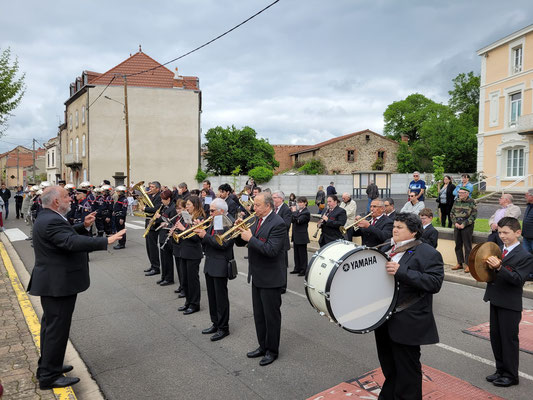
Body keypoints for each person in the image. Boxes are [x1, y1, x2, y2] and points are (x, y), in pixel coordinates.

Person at [27, 186, 125, 390]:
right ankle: (49, 376)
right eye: (65, 196)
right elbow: (70, 242)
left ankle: (49, 365)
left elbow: (64, 235)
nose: (70, 199)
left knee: (51, 328)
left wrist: (83, 225)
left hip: (55, 283)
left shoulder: (47, 217)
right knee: (56, 330)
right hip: (58, 284)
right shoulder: (51, 219)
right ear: (55, 202)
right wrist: (105, 240)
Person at [376, 212, 444, 400]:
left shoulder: (429, 253)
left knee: (408, 370)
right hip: (384, 320)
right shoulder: (388, 249)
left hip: (407, 321)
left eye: (399, 227)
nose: (394, 230)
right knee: (389, 367)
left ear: (413, 232)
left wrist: (402, 271)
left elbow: (434, 283)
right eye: (394, 226)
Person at [235, 192, 287, 366]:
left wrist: (251, 238)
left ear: (268, 206)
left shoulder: (278, 223)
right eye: (254, 205)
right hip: (257, 275)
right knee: (259, 315)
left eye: (257, 205)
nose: (253, 208)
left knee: (271, 317)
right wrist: (239, 231)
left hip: (271, 278)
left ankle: (272, 350)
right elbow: (242, 243)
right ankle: (262, 346)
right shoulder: (256, 219)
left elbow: (271, 250)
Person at [484, 217, 533, 387]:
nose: (502, 236)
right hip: (495, 298)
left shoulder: (525, 256)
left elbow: (518, 279)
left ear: (518, 233)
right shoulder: (497, 250)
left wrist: (499, 267)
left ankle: (511, 375)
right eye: (500, 232)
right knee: (495, 338)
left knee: (508, 339)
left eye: (506, 232)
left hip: (510, 303)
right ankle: (500, 369)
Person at [195, 198, 234, 341]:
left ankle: (224, 328)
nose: (209, 213)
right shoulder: (215, 220)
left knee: (221, 298)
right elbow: (208, 243)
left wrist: (205, 235)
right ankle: (215, 323)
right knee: (212, 296)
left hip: (220, 264)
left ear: (221, 211)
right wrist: (200, 233)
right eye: (209, 210)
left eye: (212, 210)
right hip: (210, 263)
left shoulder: (228, 222)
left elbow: (223, 244)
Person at [175, 196, 205, 315]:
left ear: (195, 205)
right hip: (183, 251)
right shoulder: (185, 216)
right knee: (185, 279)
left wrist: (182, 229)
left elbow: (197, 238)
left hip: (193, 253)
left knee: (193, 280)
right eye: (186, 205)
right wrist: (176, 230)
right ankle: (188, 301)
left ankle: (195, 304)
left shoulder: (200, 218)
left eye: (188, 205)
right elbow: (183, 232)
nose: (186, 207)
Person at [450, 187, 477, 273]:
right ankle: (460, 263)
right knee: (458, 245)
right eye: (459, 192)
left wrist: (464, 224)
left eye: (462, 193)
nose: (460, 194)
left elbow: (473, 215)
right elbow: (452, 213)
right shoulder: (456, 201)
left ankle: (468, 265)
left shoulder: (472, 201)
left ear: (467, 193)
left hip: (467, 226)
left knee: (467, 246)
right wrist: (455, 223)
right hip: (457, 225)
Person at [154, 190, 176, 286]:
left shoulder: (173, 208)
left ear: (169, 199)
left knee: (167, 258)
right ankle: (164, 276)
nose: (162, 201)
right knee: (163, 258)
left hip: (168, 235)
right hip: (162, 234)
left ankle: (169, 278)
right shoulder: (165, 207)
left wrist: (161, 218)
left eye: (164, 199)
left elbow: (172, 222)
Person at [272, 191, 292, 293]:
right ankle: (276, 283)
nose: (273, 199)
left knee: (282, 266)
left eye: (274, 197)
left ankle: (283, 287)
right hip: (274, 242)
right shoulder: (274, 209)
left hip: (282, 242)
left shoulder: (286, 210)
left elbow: (286, 225)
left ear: (281, 199)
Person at [143, 182, 162, 276]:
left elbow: (156, 209)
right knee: (148, 246)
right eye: (150, 186)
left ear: (158, 189)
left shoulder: (159, 197)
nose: (150, 188)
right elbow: (147, 206)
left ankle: (156, 267)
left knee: (153, 246)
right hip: (148, 222)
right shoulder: (150, 196)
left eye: (153, 187)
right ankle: (152, 265)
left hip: (154, 224)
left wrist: (145, 209)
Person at [290, 196, 310, 276]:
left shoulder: (306, 212)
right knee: (296, 253)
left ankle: (303, 270)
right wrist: (294, 213)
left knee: (302, 254)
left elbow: (299, 221)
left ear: (305, 203)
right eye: (298, 202)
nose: (299, 204)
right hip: (296, 235)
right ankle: (297, 268)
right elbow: (292, 220)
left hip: (302, 236)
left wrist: (294, 212)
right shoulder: (298, 212)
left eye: (301, 202)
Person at [523, 189, 533, 256]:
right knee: (526, 256)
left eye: (526, 195)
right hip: (526, 236)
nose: (525, 197)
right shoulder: (529, 206)